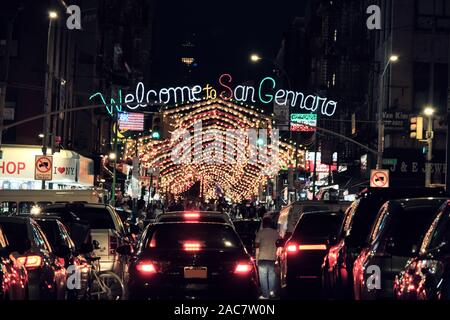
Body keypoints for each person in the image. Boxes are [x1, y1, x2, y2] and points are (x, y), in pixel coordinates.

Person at [254, 216, 280, 299]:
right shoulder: (275, 233)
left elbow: (256, 244)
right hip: (272, 257)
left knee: (263, 278)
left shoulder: (260, 233)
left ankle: (265, 295)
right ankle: (272, 293)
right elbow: (279, 243)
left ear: (263, 224)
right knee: (272, 276)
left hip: (262, 257)